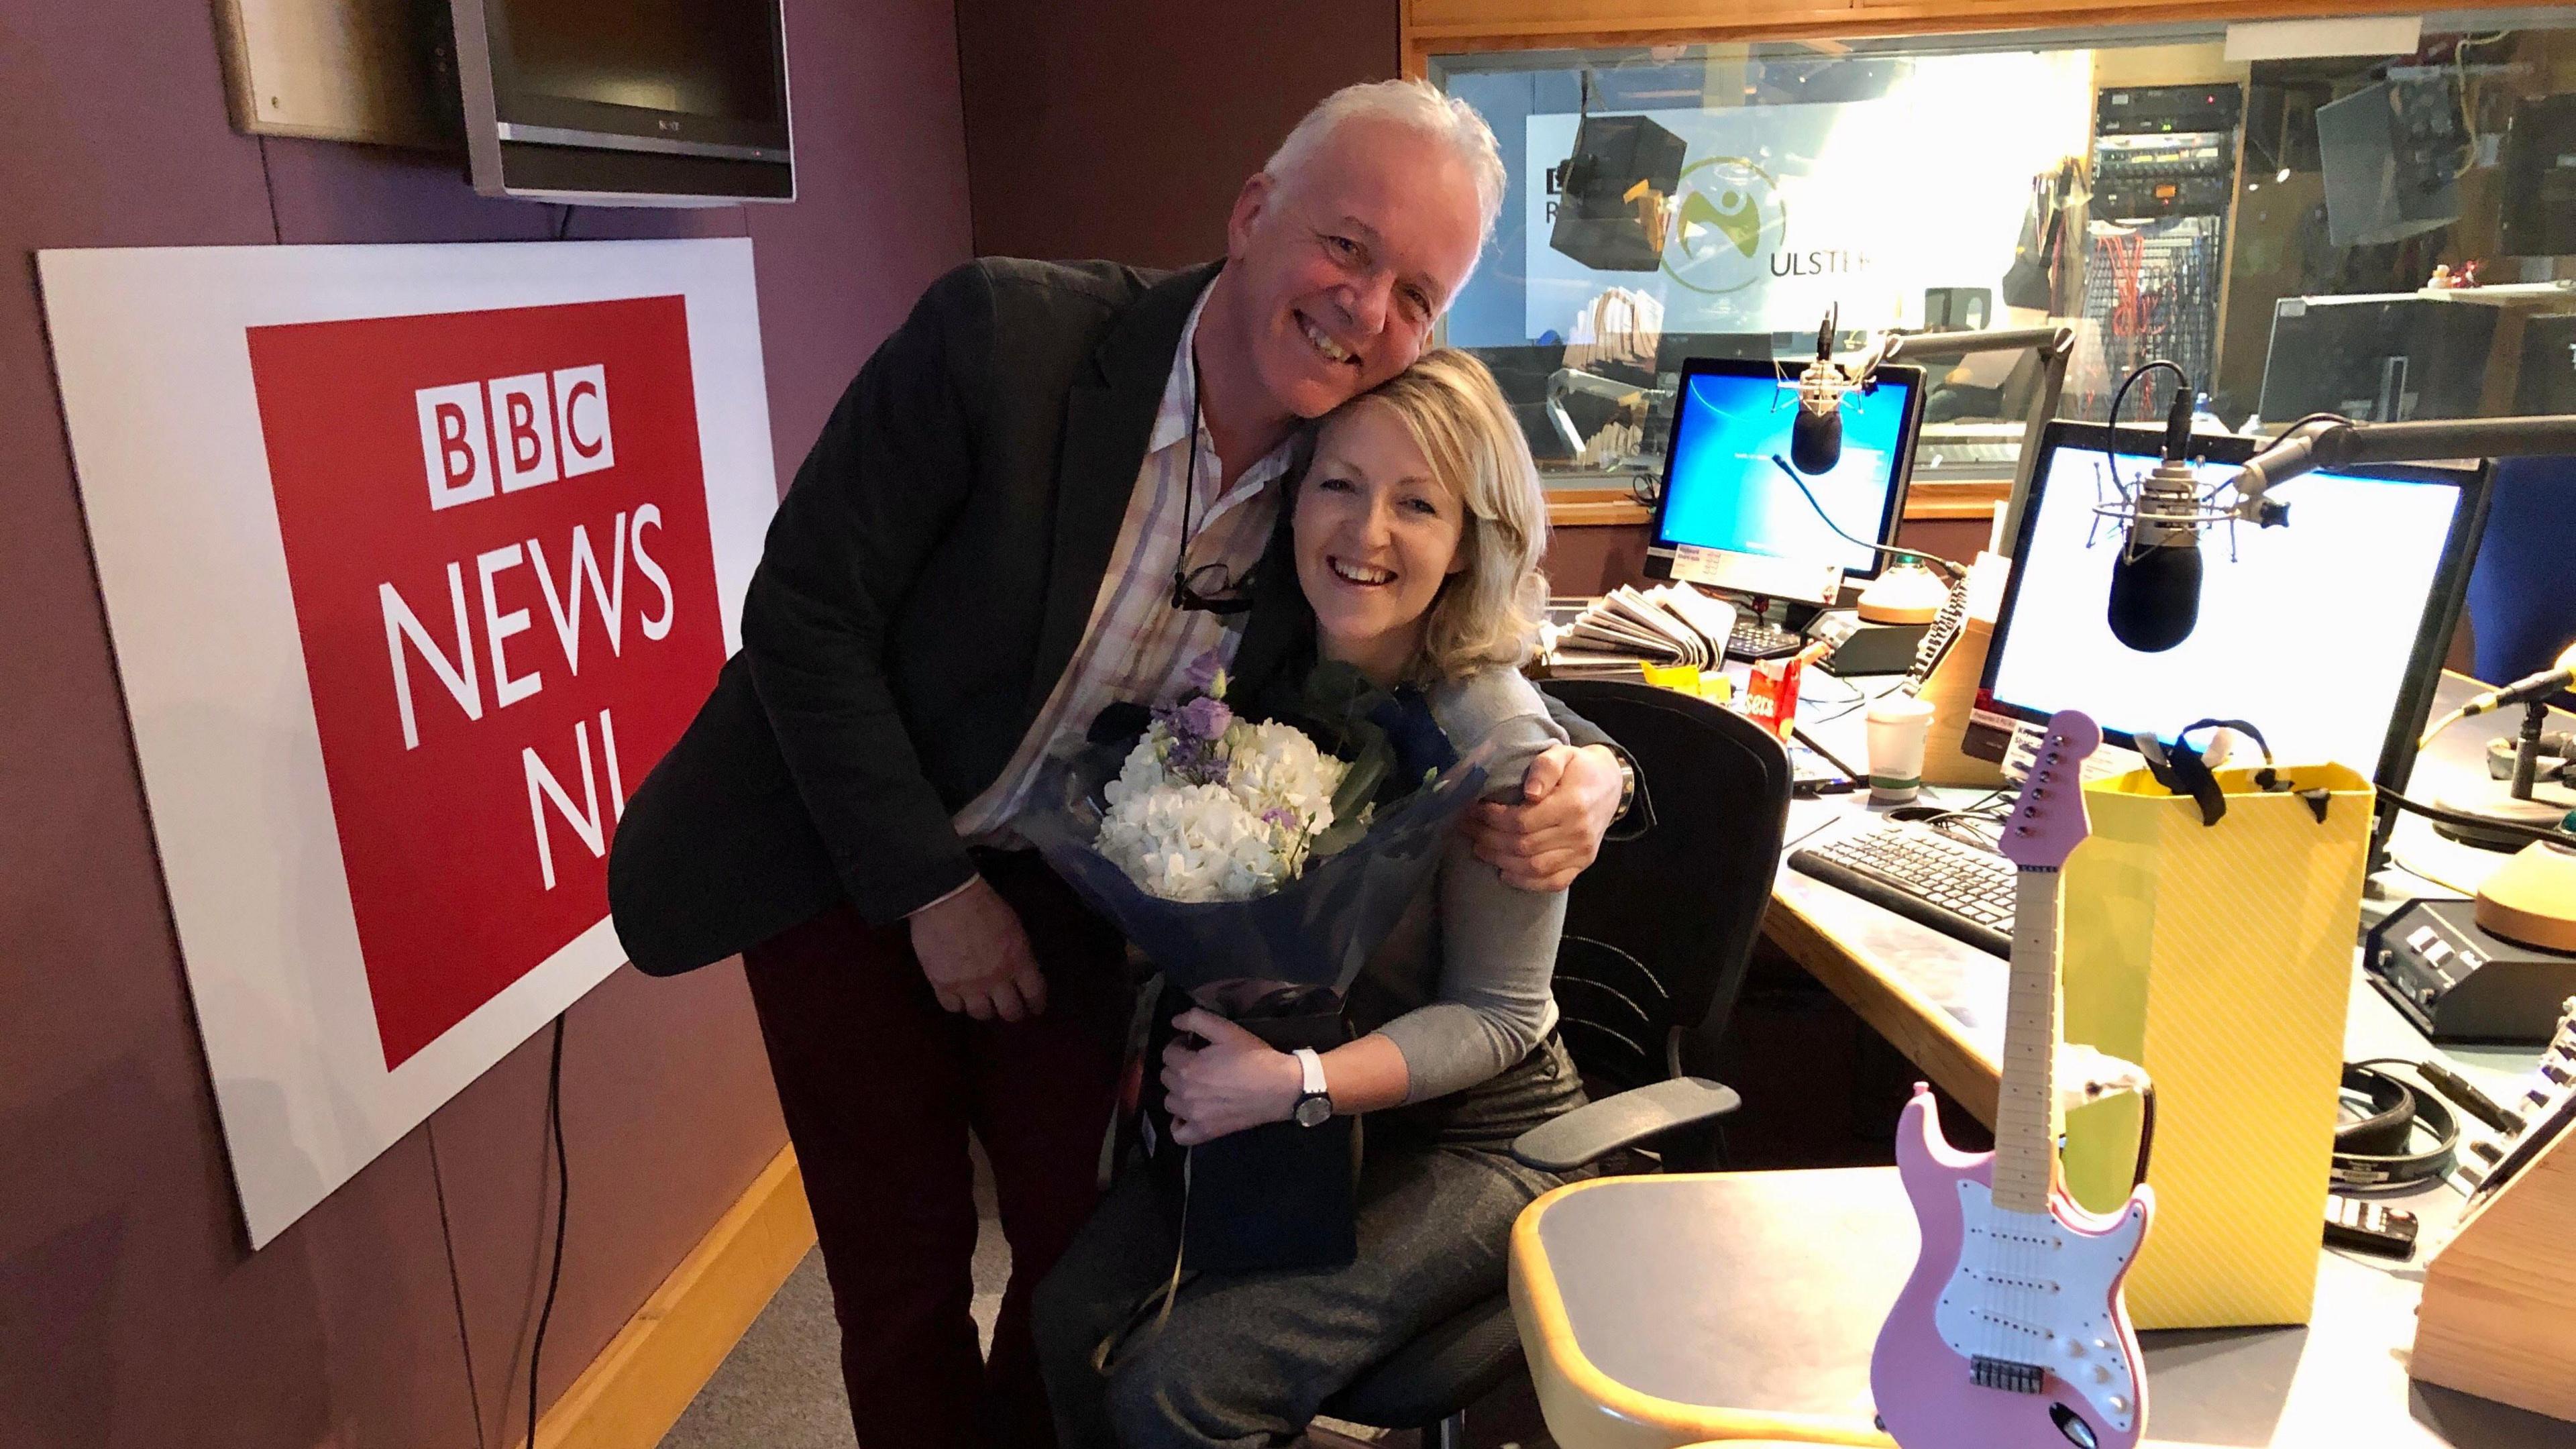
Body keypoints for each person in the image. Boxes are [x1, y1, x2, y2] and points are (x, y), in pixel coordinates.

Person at [606, 80, 1638, 1448]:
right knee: (897, 1266)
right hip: (845, 855)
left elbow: (1473, 663)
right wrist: (928, 891)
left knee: (1072, 1247)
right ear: (1253, 215)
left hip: (1067, 893)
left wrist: (1599, 772)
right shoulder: (1006, 341)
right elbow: (804, 617)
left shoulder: (1338, 480)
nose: (1365, 306)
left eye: (1416, 291)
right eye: (1348, 245)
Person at [1032, 349, 1586, 1449]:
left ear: (1471, 540)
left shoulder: (1497, 735)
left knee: (1178, 1388)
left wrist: (1299, 1084)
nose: (1365, 532)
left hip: (1475, 1137)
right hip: (1286, 1105)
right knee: (1064, 1324)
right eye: (1340, 484)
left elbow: (1503, 1016)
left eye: (1417, 504)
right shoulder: (1259, 676)